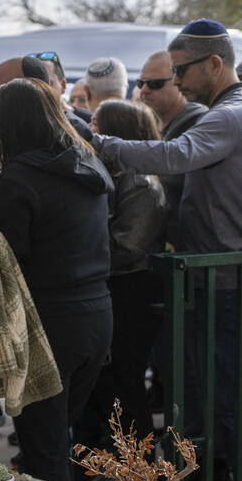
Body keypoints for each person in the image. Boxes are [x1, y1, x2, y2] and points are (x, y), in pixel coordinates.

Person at [92, 20, 242, 481]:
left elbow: (175, 156)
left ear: (215, 64)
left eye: (180, 71)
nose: (176, 81)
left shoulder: (234, 113)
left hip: (235, 281)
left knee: (238, 402)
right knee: (230, 400)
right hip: (230, 278)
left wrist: (101, 144)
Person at [0, 78, 113, 481]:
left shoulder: (18, 180)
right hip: (97, 313)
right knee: (55, 437)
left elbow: (9, 259)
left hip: (47, 321)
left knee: (43, 450)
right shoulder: (89, 165)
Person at [79, 101, 168, 450]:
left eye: (99, 125)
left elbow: (129, 247)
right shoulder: (111, 174)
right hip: (112, 284)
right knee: (106, 382)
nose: (92, 133)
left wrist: (82, 257)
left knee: (125, 381)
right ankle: (116, 461)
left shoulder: (142, 183)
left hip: (132, 289)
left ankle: (142, 472)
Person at [135, 49, 206, 248]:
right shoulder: (155, 125)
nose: (145, 90)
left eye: (155, 84)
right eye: (141, 83)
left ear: (177, 82)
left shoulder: (198, 123)